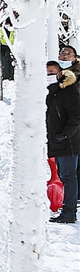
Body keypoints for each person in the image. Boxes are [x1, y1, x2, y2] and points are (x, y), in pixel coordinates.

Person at [46, 61, 80, 224]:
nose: (50, 75)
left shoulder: (69, 90)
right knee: (63, 175)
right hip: (56, 140)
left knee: (68, 176)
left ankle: (69, 212)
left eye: (53, 72)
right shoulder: (52, 92)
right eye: (47, 72)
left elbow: (76, 116)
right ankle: (67, 209)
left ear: (60, 73)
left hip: (69, 141)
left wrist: (66, 135)